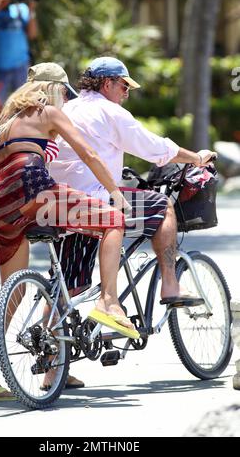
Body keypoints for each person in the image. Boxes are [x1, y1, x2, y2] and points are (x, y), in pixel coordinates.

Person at [0, 62, 139, 399]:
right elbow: (89, 153)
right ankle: (109, 302)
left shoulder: (7, 124)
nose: (66, 101)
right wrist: (113, 192)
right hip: (35, 192)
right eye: (64, 94)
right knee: (112, 220)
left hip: (3, 204)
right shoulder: (50, 112)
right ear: (54, 90)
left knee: (14, 290)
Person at [50, 56, 217, 307]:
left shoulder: (66, 109)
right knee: (162, 207)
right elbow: (155, 148)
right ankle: (170, 285)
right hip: (96, 200)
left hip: (60, 203)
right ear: (107, 83)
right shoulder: (110, 112)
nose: (126, 93)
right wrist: (196, 159)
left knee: (68, 285)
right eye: (124, 86)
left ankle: (51, 337)